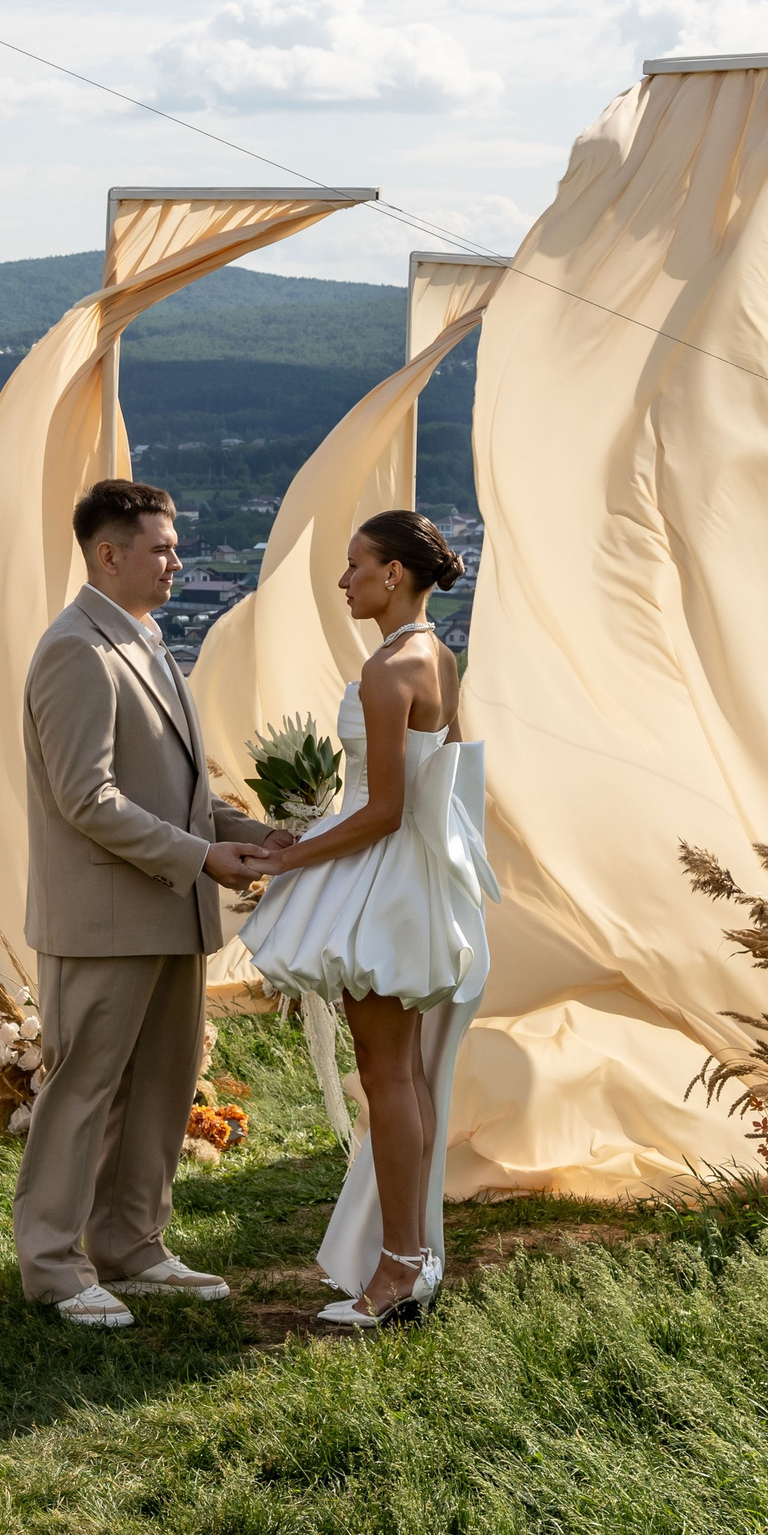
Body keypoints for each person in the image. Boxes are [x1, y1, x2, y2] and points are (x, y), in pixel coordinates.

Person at [15, 478, 286, 1328]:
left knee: (165, 1086)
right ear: (108, 554)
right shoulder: (76, 650)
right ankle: (55, 1266)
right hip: (101, 920)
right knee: (84, 1090)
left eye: (173, 545)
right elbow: (86, 799)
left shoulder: (146, 640)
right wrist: (205, 856)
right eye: (162, 547)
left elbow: (184, 792)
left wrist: (267, 832)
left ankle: (132, 1243)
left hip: (170, 909)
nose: (177, 560)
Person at [239, 509, 498, 1327]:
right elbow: (440, 787)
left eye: (356, 566)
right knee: (405, 1075)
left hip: (379, 876)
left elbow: (385, 808)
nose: (345, 580)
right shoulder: (436, 657)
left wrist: (290, 855)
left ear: (394, 575)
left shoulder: (390, 672)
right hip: (408, 879)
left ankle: (398, 1266)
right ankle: (410, 1255)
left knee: (387, 1076)